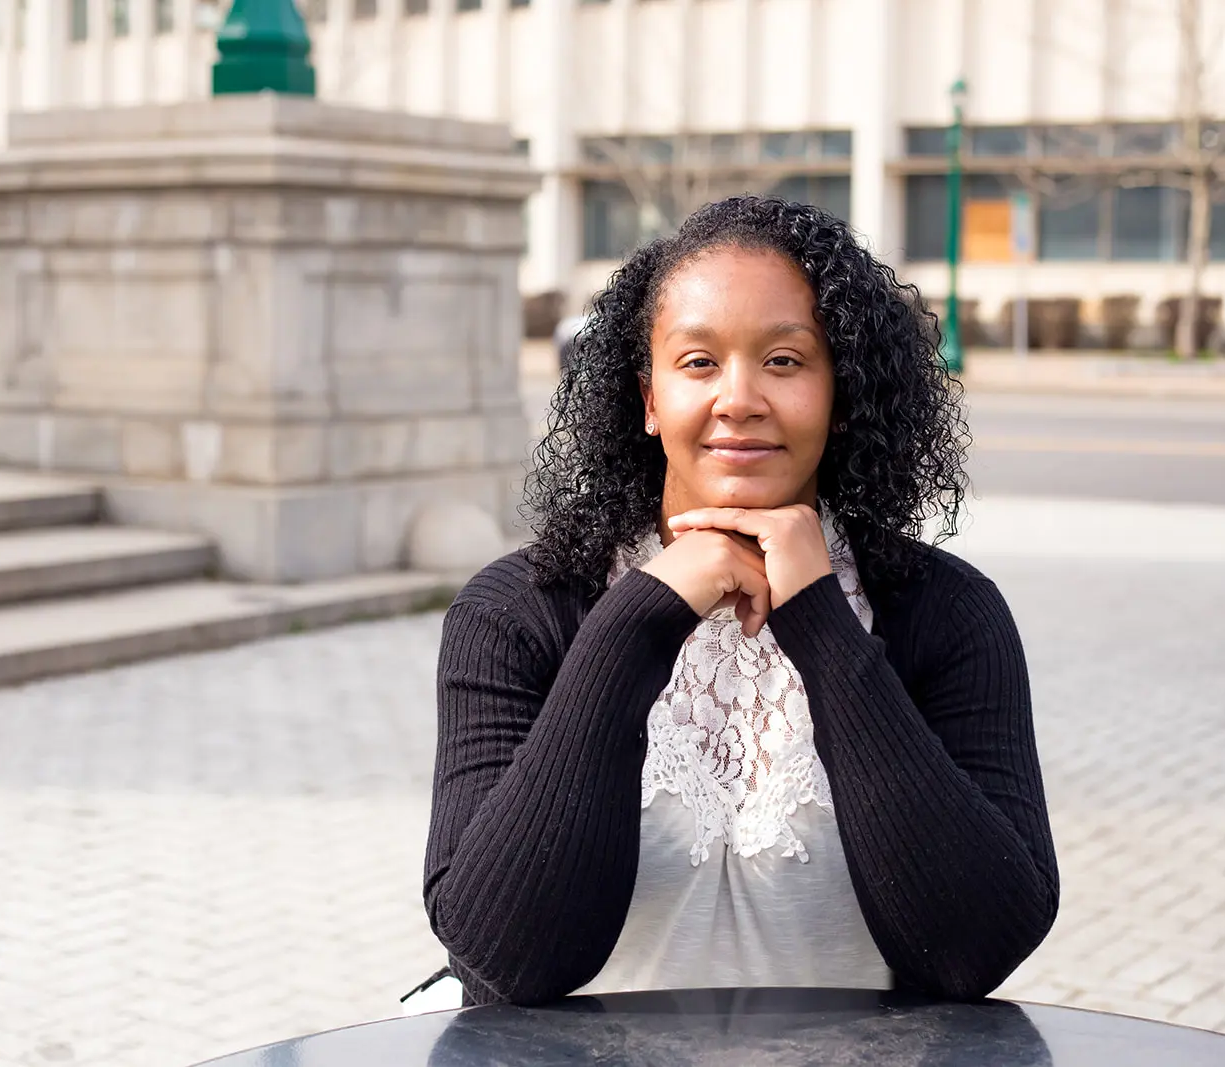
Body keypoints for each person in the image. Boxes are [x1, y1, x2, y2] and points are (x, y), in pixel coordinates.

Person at [412, 196, 1058, 1011]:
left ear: (840, 390)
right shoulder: (516, 613)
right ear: (649, 399)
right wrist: (637, 620)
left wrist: (821, 621)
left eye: (786, 361)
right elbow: (508, 956)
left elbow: (975, 949)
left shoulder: (947, 614)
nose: (740, 398)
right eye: (697, 363)